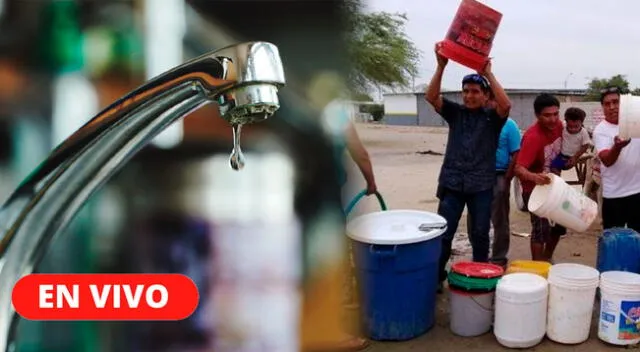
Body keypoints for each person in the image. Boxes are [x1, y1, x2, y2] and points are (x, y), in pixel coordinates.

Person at [425, 42, 511, 291]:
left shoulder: (492, 117)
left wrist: (488, 74)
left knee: (481, 234)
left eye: (475, 91)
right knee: (443, 233)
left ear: (485, 95)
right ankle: (436, 277)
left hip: (481, 186)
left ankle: (481, 277)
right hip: (452, 183)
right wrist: (441, 66)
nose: (469, 95)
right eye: (466, 91)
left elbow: (506, 105)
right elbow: (431, 97)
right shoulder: (456, 112)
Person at [468, 95, 521, 268]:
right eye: (488, 99)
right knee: (474, 218)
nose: (490, 103)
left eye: (494, 100)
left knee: (500, 220)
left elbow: (516, 154)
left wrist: (507, 178)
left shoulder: (509, 125)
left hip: (498, 175)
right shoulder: (475, 121)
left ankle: (498, 259)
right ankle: (479, 256)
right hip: (476, 177)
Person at [514, 93, 567, 262]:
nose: (552, 119)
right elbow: (518, 168)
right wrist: (534, 177)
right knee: (541, 230)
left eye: (555, 114)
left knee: (559, 225)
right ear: (537, 115)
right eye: (547, 115)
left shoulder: (559, 126)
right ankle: (537, 269)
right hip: (534, 190)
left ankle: (546, 259)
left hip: (554, 187)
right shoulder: (532, 137)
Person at [592, 86, 640, 232]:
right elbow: (607, 160)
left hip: (638, 192)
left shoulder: (636, 122)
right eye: (607, 104)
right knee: (613, 241)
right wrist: (617, 147)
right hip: (614, 195)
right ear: (602, 107)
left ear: (624, 104)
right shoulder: (601, 130)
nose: (612, 107)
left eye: (616, 102)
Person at [550, 107, 592, 173]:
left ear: (581, 123)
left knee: (566, 165)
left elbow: (585, 146)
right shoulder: (563, 126)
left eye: (576, 126)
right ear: (566, 122)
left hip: (573, 156)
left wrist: (575, 157)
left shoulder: (583, 132)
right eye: (570, 126)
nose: (573, 129)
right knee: (553, 168)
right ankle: (559, 181)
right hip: (561, 155)